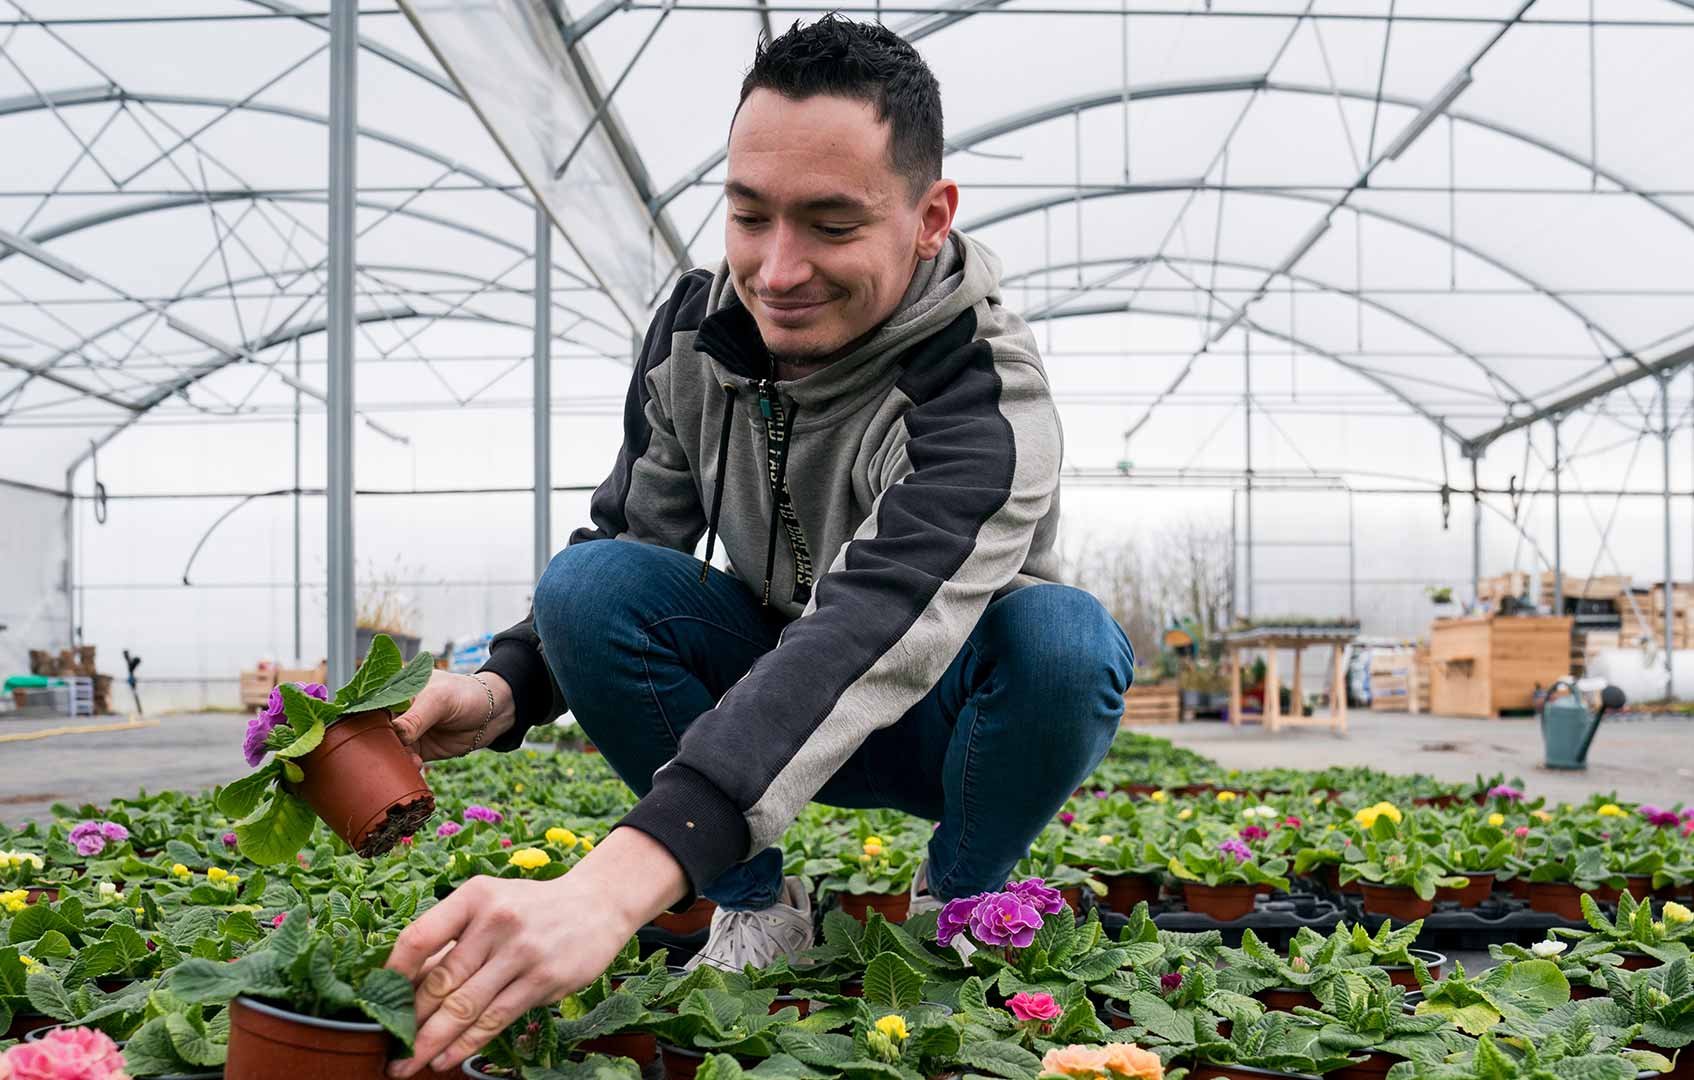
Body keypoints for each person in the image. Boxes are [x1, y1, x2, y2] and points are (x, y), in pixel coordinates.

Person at [381, 15, 1133, 1078]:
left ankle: (960, 906)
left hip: (941, 718)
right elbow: (634, 539)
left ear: (929, 219)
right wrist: (504, 689)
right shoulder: (695, 330)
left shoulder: (982, 395)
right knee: (587, 584)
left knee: (1064, 640)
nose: (777, 271)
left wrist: (615, 883)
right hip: (756, 704)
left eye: (831, 225)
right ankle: (760, 909)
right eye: (749, 216)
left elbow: (875, 622)